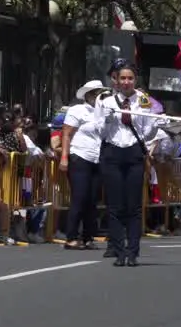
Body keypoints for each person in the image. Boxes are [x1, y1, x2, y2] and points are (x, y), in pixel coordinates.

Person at [95, 59, 160, 267]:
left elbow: (148, 131)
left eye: (130, 78)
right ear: (116, 80)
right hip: (112, 153)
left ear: (135, 80)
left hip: (133, 153)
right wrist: (107, 119)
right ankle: (118, 251)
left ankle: (133, 252)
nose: (126, 82)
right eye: (122, 78)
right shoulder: (106, 101)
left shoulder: (143, 100)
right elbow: (100, 131)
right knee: (114, 206)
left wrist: (149, 121)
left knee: (133, 206)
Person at [61, 81, 106, 250]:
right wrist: (64, 157)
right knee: (79, 198)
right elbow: (66, 133)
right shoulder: (77, 110)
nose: (98, 97)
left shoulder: (103, 113)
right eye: (95, 93)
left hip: (97, 158)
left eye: (100, 94)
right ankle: (71, 237)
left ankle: (88, 236)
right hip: (79, 156)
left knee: (92, 199)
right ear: (88, 95)